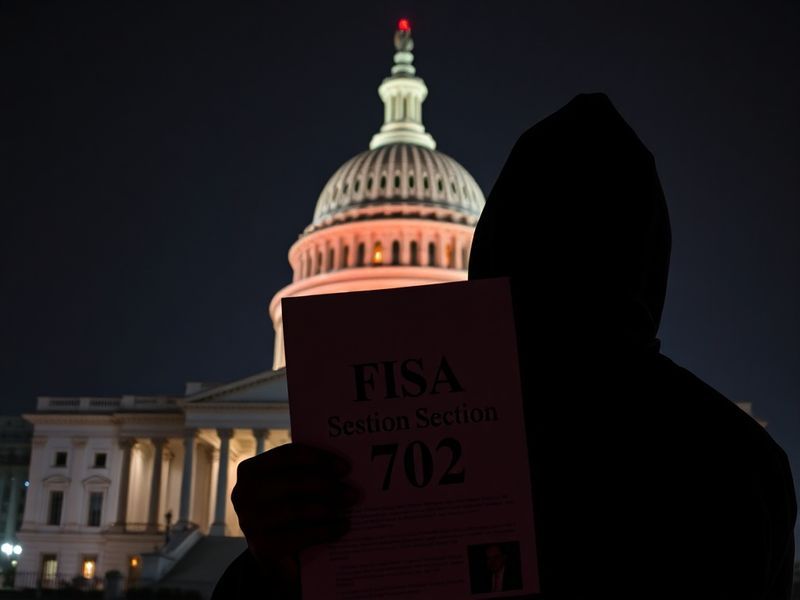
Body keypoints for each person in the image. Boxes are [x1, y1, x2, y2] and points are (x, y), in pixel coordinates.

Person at [212, 93, 796, 599]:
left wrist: (275, 570)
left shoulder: (434, 440)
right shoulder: (740, 457)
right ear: (648, 259)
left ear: (491, 254)